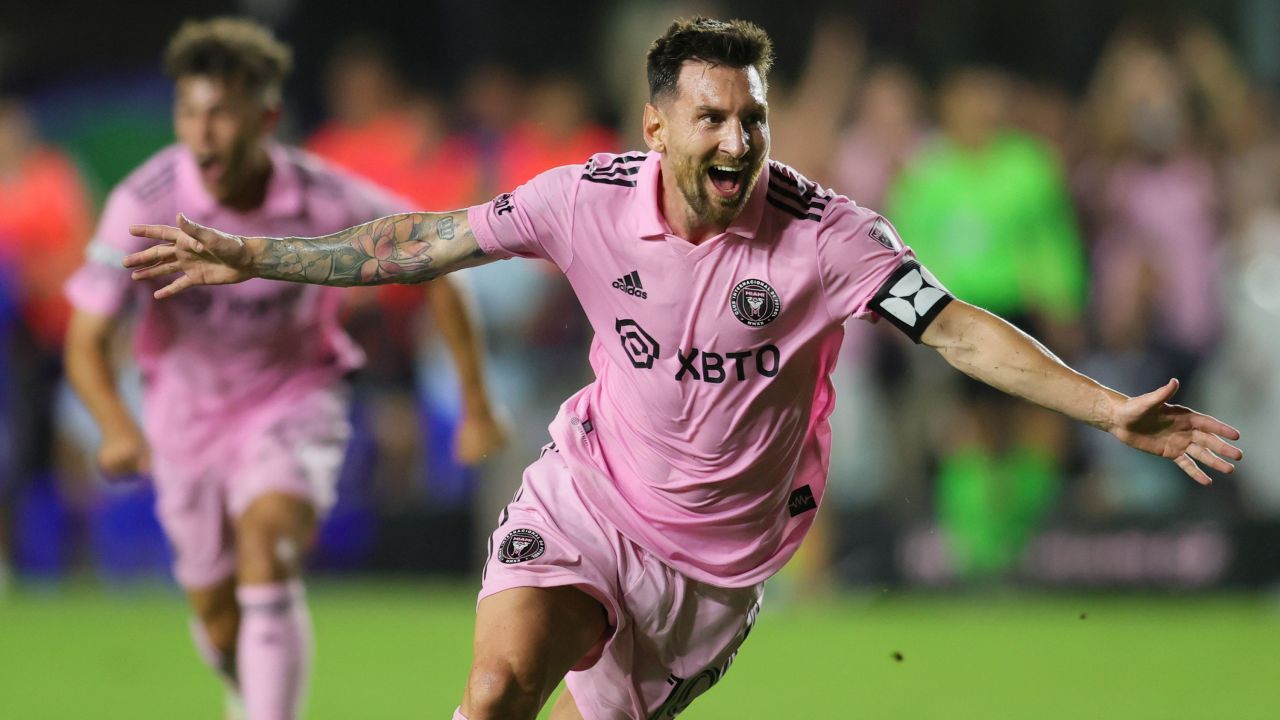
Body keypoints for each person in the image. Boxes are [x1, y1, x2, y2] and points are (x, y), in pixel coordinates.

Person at [124, 17, 1243, 720]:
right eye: (709, 117)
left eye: (749, 118)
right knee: (496, 684)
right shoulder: (583, 200)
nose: (735, 142)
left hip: (712, 568)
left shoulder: (829, 235)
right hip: (589, 495)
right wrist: (255, 254)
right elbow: (419, 241)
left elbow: (949, 326)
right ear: (655, 125)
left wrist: (1105, 409)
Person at [63, 18, 504, 720]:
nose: (201, 132)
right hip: (185, 420)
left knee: (266, 541)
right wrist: (116, 426)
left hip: (295, 398)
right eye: (188, 112)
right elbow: (85, 338)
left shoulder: (324, 195)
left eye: (221, 114)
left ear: (265, 117)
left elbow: (436, 262)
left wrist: (477, 404)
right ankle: (250, 691)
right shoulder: (142, 206)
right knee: (216, 613)